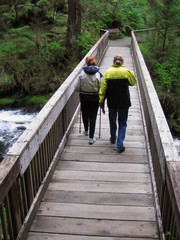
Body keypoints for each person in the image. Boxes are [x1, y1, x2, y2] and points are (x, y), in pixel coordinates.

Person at [99, 55, 137, 153]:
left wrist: (101, 100)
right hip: (124, 101)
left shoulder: (108, 72)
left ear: (113, 61)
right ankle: (120, 143)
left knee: (112, 120)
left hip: (112, 101)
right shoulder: (126, 71)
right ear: (122, 62)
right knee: (122, 122)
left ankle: (112, 138)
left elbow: (103, 88)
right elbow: (133, 82)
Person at [75, 56, 102, 145]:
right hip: (94, 98)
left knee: (85, 113)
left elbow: (76, 87)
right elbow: (101, 87)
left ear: (87, 63)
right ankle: (91, 138)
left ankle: (86, 130)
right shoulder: (98, 74)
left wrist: (81, 91)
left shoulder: (82, 74)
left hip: (84, 97)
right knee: (93, 117)